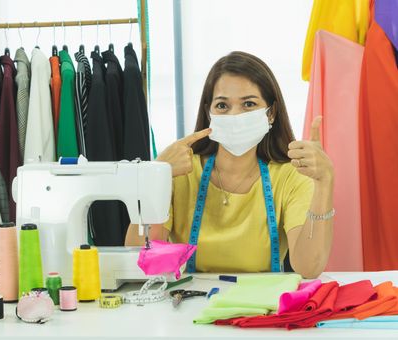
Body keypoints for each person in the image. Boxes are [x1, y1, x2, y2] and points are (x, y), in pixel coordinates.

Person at [125, 51, 334, 279]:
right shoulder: (182, 173)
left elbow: (308, 268)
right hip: (189, 307)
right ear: (209, 112)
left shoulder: (289, 176)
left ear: (271, 113)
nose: (235, 115)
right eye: (223, 106)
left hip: (261, 309)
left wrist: (324, 182)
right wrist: (156, 177)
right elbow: (138, 259)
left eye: (248, 104)